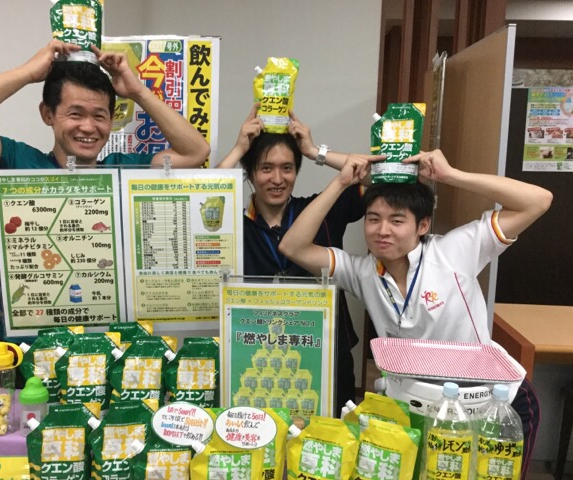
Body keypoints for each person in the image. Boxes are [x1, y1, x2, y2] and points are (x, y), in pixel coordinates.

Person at [279, 149, 552, 476]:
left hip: (493, 406)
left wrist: (451, 176)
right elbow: (292, 247)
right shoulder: (362, 272)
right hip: (420, 408)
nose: (382, 230)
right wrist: (340, 183)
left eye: (397, 220)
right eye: (373, 219)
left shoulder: (454, 251)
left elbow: (539, 200)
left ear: (422, 225)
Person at [217, 103, 384, 414]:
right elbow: (200, 198)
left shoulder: (322, 210)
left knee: (330, 434)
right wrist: (239, 148)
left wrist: (314, 151)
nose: (277, 178)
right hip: (257, 355)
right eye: (266, 168)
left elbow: (382, 176)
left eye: (287, 168)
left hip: (326, 351)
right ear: (250, 173)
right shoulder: (234, 226)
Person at [0, 40, 209, 186]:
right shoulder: (18, 164)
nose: (88, 127)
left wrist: (139, 92)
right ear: (48, 114)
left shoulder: (124, 169)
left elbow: (195, 152)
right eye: (75, 114)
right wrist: (26, 73)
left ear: (111, 119)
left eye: (99, 115)